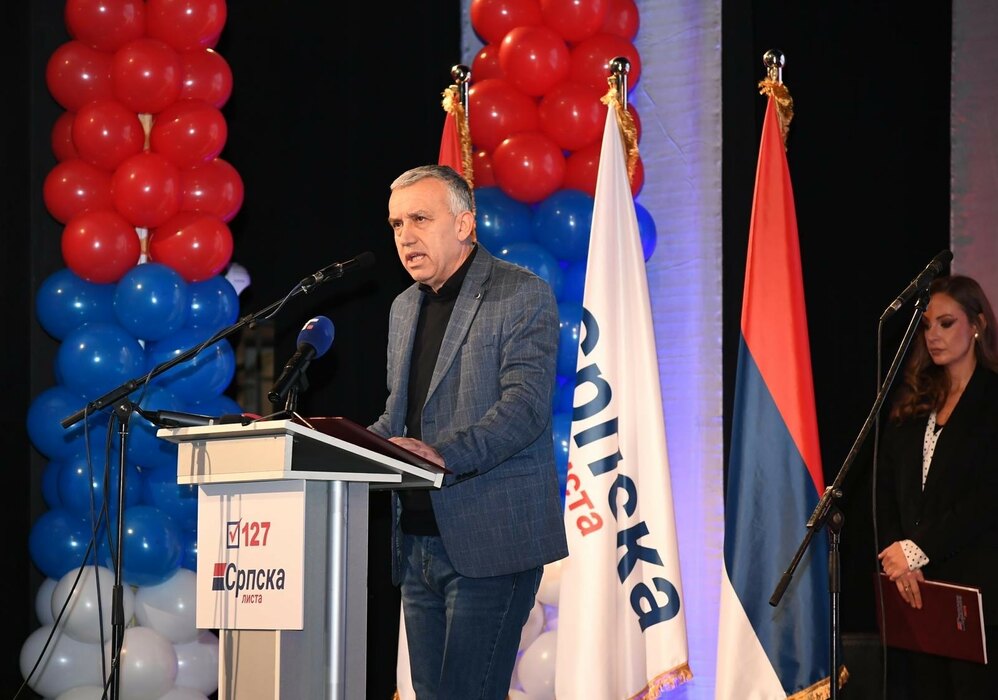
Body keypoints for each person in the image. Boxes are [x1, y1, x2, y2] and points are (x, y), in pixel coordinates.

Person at [368, 164, 568, 699]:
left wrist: (440, 455)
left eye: (419, 219)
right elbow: (396, 417)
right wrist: (331, 444)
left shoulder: (520, 294)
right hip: (416, 543)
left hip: (490, 539)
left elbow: (524, 409)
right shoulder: (404, 307)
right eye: (396, 225)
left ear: (463, 224)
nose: (405, 236)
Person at [876, 274, 998, 698]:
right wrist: (898, 555)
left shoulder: (992, 400)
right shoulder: (914, 401)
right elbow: (885, 491)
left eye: (946, 323)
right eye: (927, 325)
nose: (933, 335)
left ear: (977, 324)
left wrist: (917, 548)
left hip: (977, 591)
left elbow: (986, 500)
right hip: (916, 590)